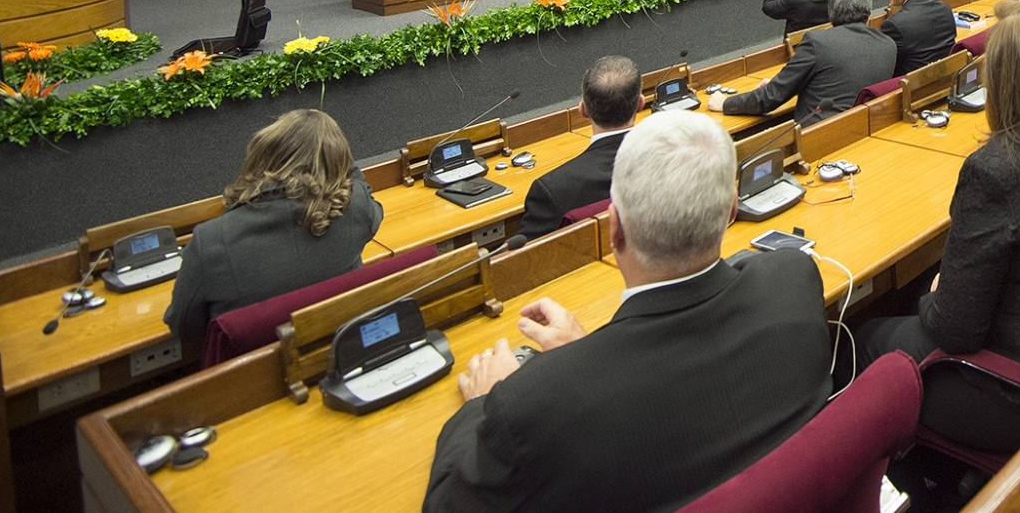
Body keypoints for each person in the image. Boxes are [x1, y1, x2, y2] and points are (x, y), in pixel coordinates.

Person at [425, 113, 830, 513]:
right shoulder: (795, 277)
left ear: (614, 227)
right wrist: (585, 356)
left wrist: (478, 403)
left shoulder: (530, 403)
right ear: (731, 211)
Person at [854, 5, 1020, 391]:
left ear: (1004, 85)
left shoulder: (993, 171)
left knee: (860, 337)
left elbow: (956, 331)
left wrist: (935, 297)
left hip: (1018, 377)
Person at [166, 110, 382, 358]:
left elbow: (182, 327)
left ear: (262, 153)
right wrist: (336, 158)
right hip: (336, 357)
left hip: (251, 380)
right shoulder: (355, 208)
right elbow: (364, 194)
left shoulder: (211, 238)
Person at [717, 0, 897, 127]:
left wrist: (726, 103)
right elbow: (834, 80)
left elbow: (771, 97)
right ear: (868, 10)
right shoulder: (888, 45)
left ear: (831, 12)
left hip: (817, 138)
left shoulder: (817, 42)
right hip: (865, 129)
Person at [519, 56, 642, 240]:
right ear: (640, 104)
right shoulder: (673, 159)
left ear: (583, 110)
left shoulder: (550, 191)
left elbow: (525, 260)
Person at [881, 0, 958, 73]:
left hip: (911, 89)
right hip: (945, 82)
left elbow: (886, 69)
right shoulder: (945, 9)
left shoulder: (894, 25)